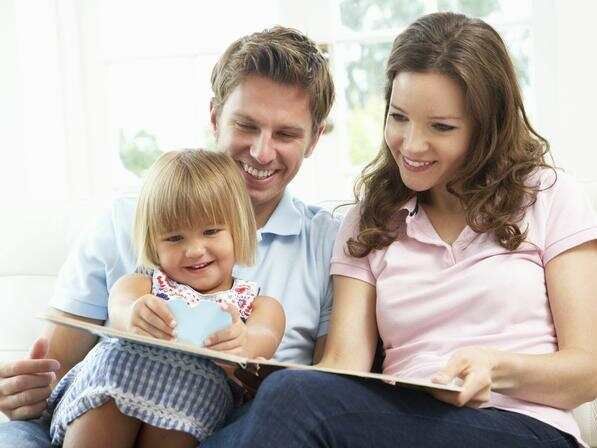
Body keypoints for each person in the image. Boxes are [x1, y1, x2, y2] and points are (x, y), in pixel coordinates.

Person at [203, 12, 597, 447]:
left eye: (441, 127)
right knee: (272, 402)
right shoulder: (371, 220)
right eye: (399, 117)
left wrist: (495, 367)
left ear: (487, 127)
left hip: (526, 429)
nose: (411, 144)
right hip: (401, 426)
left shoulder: (547, 196)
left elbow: (589, 371)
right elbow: (344, 366)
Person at [0, 26, 338, 448]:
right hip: (103, 406)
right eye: (246, 125)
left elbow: (325, 396)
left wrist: (244, 349)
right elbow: (52, 368)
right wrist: (23, 392)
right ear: (215, 117)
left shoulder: (325, 243)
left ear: (314, 139)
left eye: (285, 134)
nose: (261, 152)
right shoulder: (126, 219)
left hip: (225, 427)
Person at [46, 149, 285, 447]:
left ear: (239, 231)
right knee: (116, 359)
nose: (194, 250)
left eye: (211, 231)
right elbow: (121, 307)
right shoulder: (142, 284)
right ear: (153, 243)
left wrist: (241, 341)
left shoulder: (259, 304)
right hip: (117, 382)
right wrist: (134, 315)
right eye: (174, 238)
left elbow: (264, 336)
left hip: (193, 403)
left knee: (199, 384)